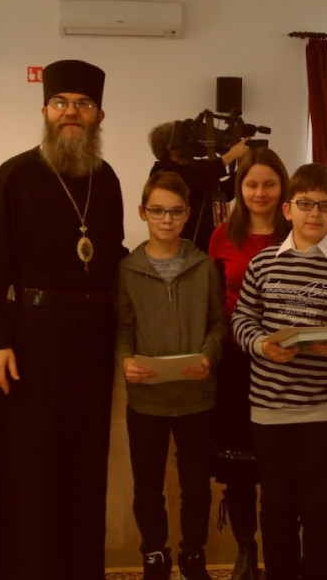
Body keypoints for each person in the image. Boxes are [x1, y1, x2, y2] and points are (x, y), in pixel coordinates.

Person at [0, 59, 127, 580]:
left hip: (93, 336)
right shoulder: (14, 175)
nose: (71, 112)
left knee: (85, 459)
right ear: (45, 112)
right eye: (61, 103)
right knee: (31, 462)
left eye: (82, 104)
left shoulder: (106, 179)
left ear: (99, 116)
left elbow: (111, 255)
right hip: (32, 338)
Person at [231, 163, 327, 580]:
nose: (315, 213)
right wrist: (262, 345)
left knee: (320, 505)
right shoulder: (263, 263)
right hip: (270, 408)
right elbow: (242, 320)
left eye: (325, 205)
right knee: (276, 506)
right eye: (306, 204)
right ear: (288, 209)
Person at [115, 171, 226, 580]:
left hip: (197, 396)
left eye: (176, 212)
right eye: (158, 211)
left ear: (188, 213)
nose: (167, 219)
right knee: (147, 485)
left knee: (196, 485)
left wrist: (209, 356)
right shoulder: (128, 270)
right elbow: (123, 329)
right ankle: (154, 554)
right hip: (147, 398)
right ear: (142, 212)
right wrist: (125, 361)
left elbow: (218, 323)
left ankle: (193, 554)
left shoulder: (203, 265)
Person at [208, 148, 290, 580]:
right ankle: (245, 546)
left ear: (283, 187)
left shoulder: (300, 230)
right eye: (252, 184)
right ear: (239, 189)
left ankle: (282, 548)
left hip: (288, 360)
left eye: (269, 184)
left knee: (280, 460)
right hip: (237, 359)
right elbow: (213, 299)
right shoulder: (222, 235)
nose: (260, 192)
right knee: (239, 462)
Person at [149, 121, 250, 252]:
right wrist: (230, 156)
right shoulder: (161, 172)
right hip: (182, 249)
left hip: (211, 242)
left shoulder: (195, 168)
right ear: (170, 147)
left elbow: (223, 193)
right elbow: (189, 182)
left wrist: (242, 170)